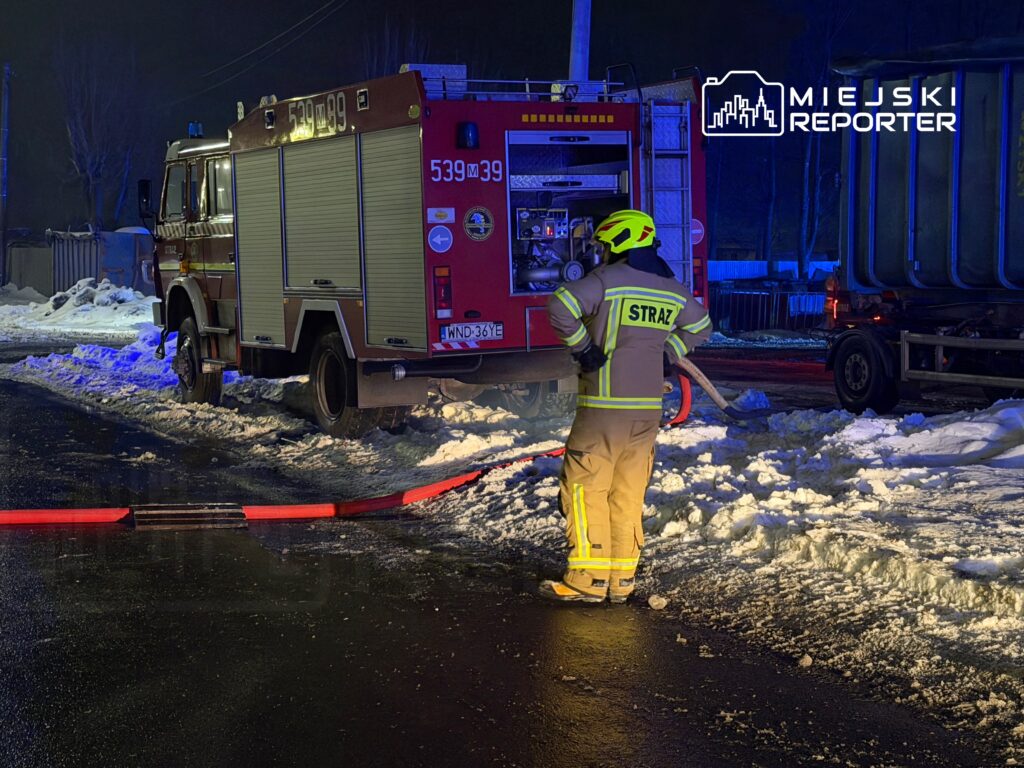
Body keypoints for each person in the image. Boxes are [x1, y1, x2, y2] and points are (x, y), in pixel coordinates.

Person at [541, 210, 712, 603]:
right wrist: (669, 351)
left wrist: (584, 349)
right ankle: (621, 582)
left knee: (585, 490)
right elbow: (702, 326)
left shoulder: (606, 281)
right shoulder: (672, 288)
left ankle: (587, 579)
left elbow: (560, 305)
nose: (601, 253)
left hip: (603, 407)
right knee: (627, 493)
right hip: (647, 412)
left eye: (603, 245)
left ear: (618, 242)